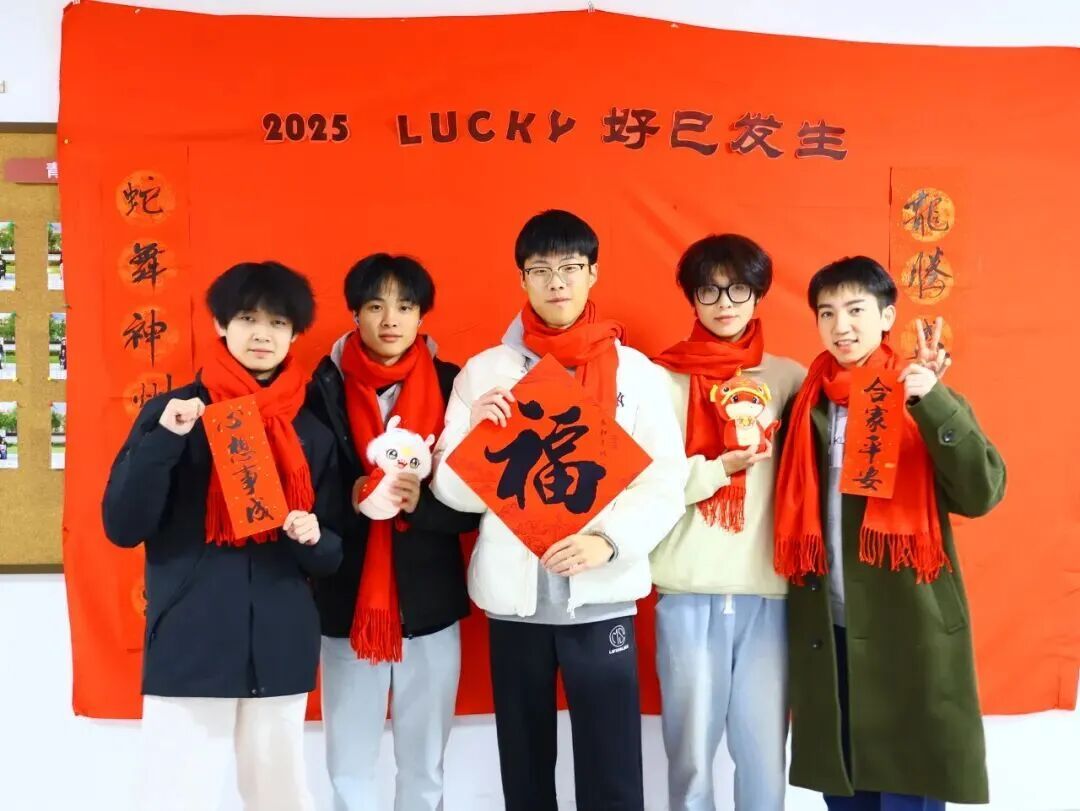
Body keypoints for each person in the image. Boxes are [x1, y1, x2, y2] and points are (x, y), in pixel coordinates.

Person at [431, 209, 687, 811]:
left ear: (593, 273)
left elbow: (665, 482)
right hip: (514, 604)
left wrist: (609, 542)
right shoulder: (485, 372)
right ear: (522, 279)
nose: (557, 282)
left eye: (570, 267)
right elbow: (450, 492)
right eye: (541, 270)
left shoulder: (636, 374)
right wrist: (475, 441)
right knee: (524, 766)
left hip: (602, 596)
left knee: (611, 767)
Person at [102, 260, 344, 811]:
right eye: (247, 318)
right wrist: (165, 440)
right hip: (192, 640)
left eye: (278, 323)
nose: (263, 334)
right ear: (220, 324)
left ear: (294, 334)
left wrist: (311, 536)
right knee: (173, 796)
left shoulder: (310, 427)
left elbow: (331, 555)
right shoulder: (174, 413)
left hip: (280, 646)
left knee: (282, 798)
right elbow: (122, 525)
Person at [776, 256, 1006, 809]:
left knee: (911, 790)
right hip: (829, 629)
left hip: (909, 629)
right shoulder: (806, 405)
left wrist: (933, 403)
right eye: (827, 313)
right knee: (845, 789)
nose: (841, 326)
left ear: (886, 317)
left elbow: (982, 493)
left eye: (856, 309)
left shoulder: (916, 395)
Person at [307, 253, 477, 811]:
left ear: (422, 315)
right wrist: (354, 497)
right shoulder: (320, 389)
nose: (390, 320)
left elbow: (478, 507)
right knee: (348, 767)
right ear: (355, 313)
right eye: (375, 306)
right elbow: (302, 494)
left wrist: (422, 505)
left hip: (429, 603)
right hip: (349, 604)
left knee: (425, 767)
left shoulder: (455, 387)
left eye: (405, 307)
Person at [650, 234, 805, 811]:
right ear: (692, 298)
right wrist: (717, 470)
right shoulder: (659, 379)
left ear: (758, 295)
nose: (724, 303)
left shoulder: (789, 380)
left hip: (769, 590)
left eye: (738, 289)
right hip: (687, 586)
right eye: (709, 290)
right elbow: (646, 483)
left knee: (765, 754)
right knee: (690, 754)